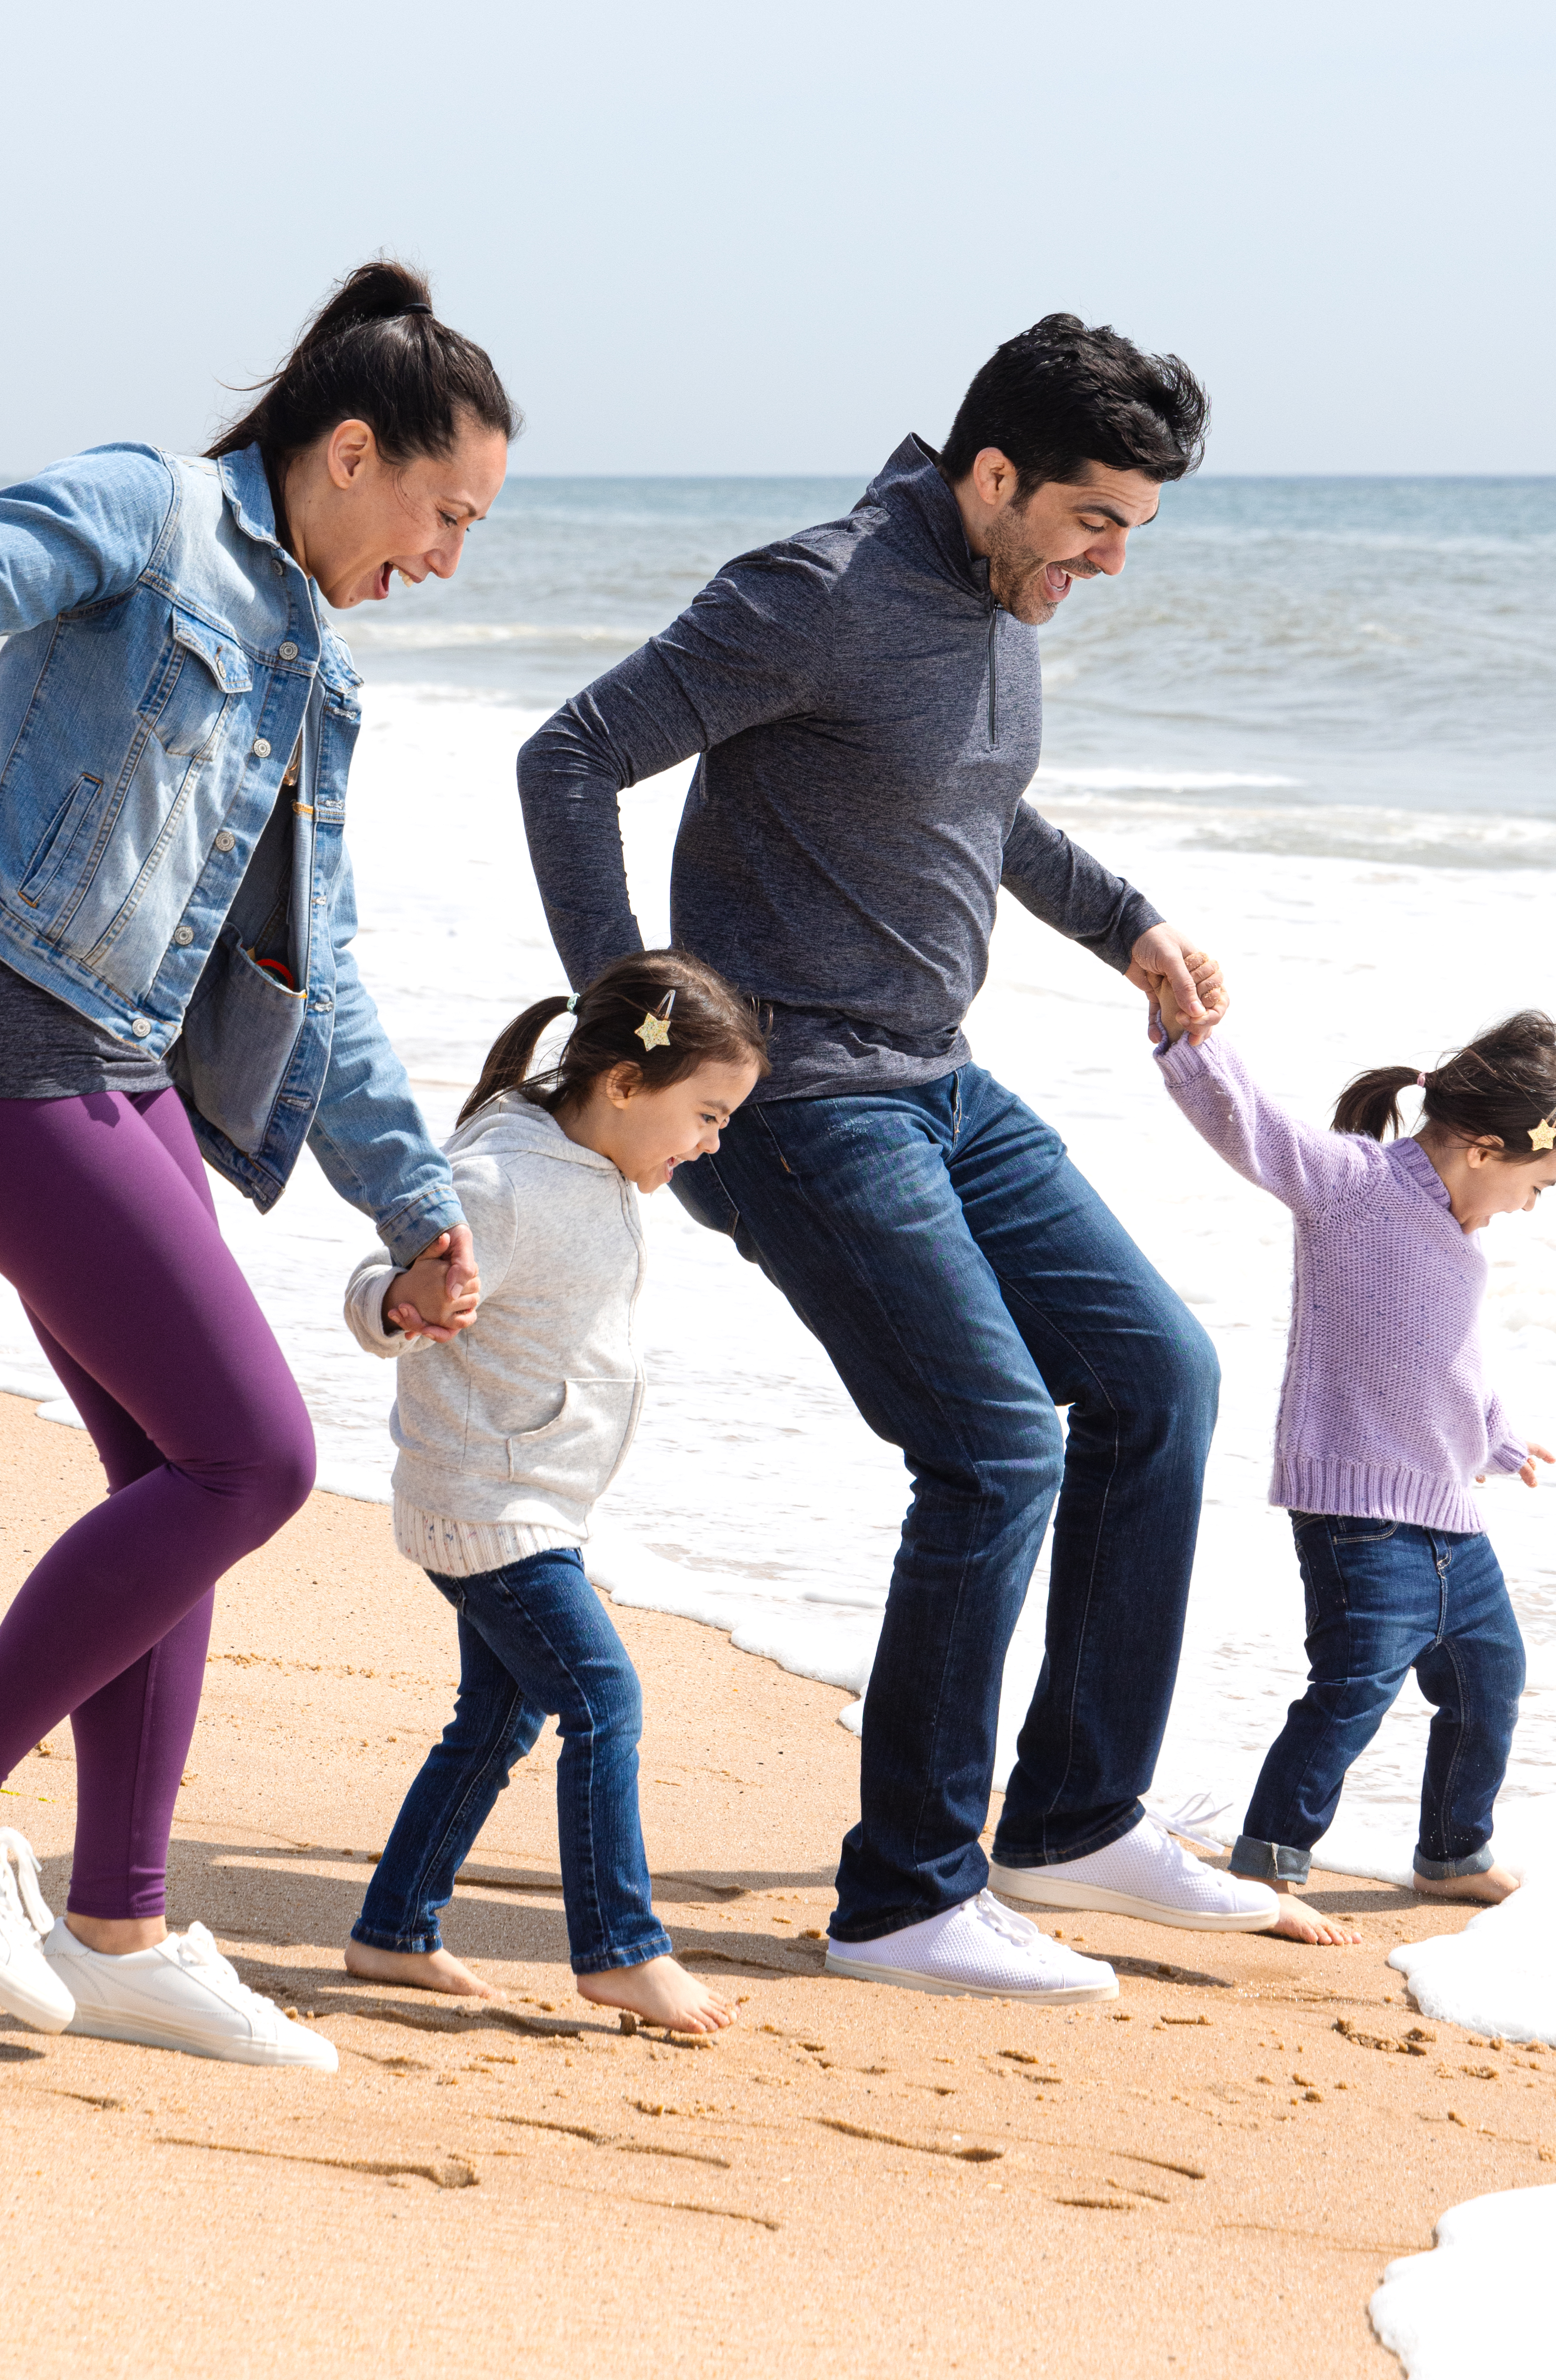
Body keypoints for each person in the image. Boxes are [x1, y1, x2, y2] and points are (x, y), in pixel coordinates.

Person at [0, 259, 516, 2069]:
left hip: (117, 1061)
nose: (449, 557)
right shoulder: (153, 510)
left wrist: (417, 1197)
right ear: (346, 450)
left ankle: (124, 1920)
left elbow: (323, 969)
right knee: (257, 1455)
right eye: (443, 511)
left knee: (178, 1472)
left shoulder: (314, 663)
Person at [518, 311, 1286, 2005]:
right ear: (992, 473)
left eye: (1135, 534)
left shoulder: (999, 594)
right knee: (998, 1443)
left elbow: (970, 805)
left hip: (940, 1079)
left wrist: (1130, 927)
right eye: (1095, 521)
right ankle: (904, 1900)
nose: (1108, 561)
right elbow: (569, 754)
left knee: (1159, 1377)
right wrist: (634, 1038)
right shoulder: (813, 589)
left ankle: (1074, 1817)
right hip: (796, 1100)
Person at [339, 955, 764, 2038]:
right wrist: (402, 1295)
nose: (712, 1141)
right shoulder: (503, 1180)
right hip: (488, 1505)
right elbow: (368, 1284)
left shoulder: (593, 1165)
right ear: (624, 1085)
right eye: (705, 1114)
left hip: (526, 1499)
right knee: (602, 1699)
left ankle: (394, 1928)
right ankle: (619, 1949)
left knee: (497, 1713)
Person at [1147, 1007, 1556, 1906]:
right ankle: (1269, 1863)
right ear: (1483, 1150)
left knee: (1490, 1675)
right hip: (1360, 1515)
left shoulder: (1460, 1243)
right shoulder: (1355, 1183)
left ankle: (1455, 1850)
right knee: (1351, 1690)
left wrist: (1497, 1433)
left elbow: (1449, 1357)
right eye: (1538, 1182)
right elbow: (1255, 1129)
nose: (1531, 1205)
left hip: (1448, 1519)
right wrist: (1191, 1041)